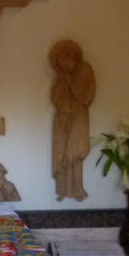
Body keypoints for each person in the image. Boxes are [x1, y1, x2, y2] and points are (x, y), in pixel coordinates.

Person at [49, 40, 96, 201]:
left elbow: (88, 95)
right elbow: (55, 97)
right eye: (59, 61)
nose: (62, 64)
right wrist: (63, 84)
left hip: (78, 116)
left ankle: (77, 188)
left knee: (75, 152)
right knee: (62, 152)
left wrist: (71, 82)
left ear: (73, 56)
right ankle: (63, 188)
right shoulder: (61, 75)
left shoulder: (85, 69)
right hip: (62, 117)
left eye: (64, 60)